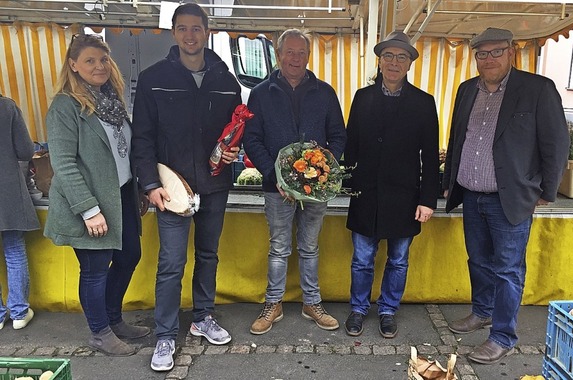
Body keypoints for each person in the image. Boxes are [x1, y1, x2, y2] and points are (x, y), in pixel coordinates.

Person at [443, 27, 569, 364]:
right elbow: (458, 138)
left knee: (508, 269)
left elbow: (556, 144)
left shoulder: (537, 89)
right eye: (481, 54)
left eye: (496, 51)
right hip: (471, 194)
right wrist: (448, 180)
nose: (488, 59)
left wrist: (547, 191)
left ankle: (502, 335)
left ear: (511, 52)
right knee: (478, 260)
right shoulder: (467, 90)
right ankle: (482, 311)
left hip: (509, 198)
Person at [131, 3, 241, 372]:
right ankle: (164, 334)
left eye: (197, 28)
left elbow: (233, 133)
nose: (190, 35)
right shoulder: (153, 78)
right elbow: (142, 138)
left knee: (208, 255)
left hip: (214, 184)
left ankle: (202, 316)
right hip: (170, 188)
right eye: (183, 28)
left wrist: (234, 150)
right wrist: (149, 184)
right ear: (173, 32)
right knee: (171, 263)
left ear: (207, 32)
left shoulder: (226, 80)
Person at [44, 34, 150, 356]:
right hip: (90, 202)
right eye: (90, 60)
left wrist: (138, 188)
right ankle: (100, 332)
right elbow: (62, 163)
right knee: (94, 269)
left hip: (120, 196)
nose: (99, 66)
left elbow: (123, 152)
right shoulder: (65, 106)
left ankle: (113, 319)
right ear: (73, 65)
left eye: (103, 59)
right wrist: (89, 210)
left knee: (130, 255)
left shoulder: (111, 101)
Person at [243, 28, 347, 336]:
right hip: (276, 189)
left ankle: (311, 302)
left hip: (316, 189)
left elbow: (339, 136)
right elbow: (252, 139)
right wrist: (274, 175)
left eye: (301, 53)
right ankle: (273, 304)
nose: (295, 58)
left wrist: (327, 163)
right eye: (289, 52)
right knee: (278, 248)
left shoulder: (325, 92)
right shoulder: (260, 93)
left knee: (310, 246)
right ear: (278, 55)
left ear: (308, 56)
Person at [342, 31, 440, 339]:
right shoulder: (362, 97)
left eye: (401, 57)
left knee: (398, 259)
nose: (394, 63)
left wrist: (428, 200)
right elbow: (351, 146)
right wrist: (346, 183)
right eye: (388, 56)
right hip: (366, 194)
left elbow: (429, 154)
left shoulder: (424, 103)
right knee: (361, 259)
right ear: (380, 61)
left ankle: (387, 310)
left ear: (410, 63)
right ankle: (358, 308)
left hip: (404, 196)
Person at [0, 94, 39, 331]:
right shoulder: (6, 107)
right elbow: (26, 150)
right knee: (14, 249)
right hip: (7, 192)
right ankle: (19, 313)